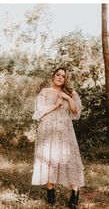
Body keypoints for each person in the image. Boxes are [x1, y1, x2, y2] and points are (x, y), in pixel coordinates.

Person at [32, 67, 84, 208]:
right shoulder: (45, 92)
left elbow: (75, 111)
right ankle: (51, 197)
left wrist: (67, 97)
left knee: (71, 160)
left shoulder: (71, 92)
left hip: (65, 129)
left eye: (63, 76)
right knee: (50, 158)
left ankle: (74, 198)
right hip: (48, 129)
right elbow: (40, 112)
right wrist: (56, 105)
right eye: (58, 74)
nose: (60, 77)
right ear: (53, 76)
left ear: (66, 79)